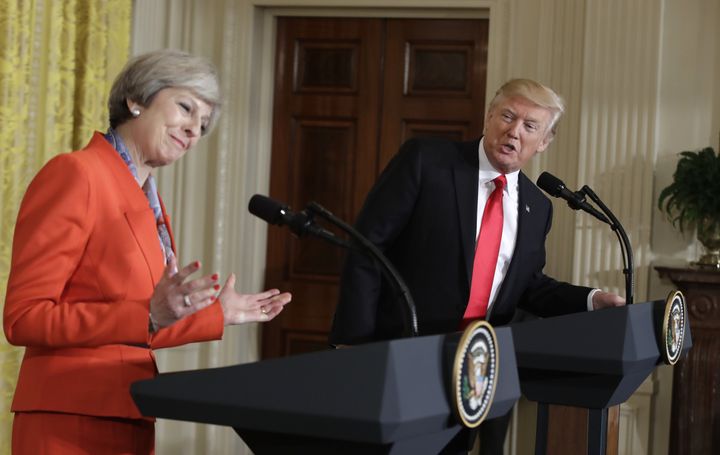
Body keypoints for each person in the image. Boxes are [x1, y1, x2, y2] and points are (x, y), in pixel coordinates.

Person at [3, 49, 291, 454]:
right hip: (71, 421)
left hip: (130, 414)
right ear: (135, 100)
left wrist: (218, 314)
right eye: (186, 108)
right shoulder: (77, 174)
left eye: (203, 124)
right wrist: (149, 314)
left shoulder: (147, 201)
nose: (194, 130)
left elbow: (138, 327)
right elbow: (24, 318)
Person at [329, 78, 625, 454]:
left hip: (469, 371)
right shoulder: (427, 161)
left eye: (530, 126)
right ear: (488, 117)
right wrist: (353, 343)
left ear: (544, 142)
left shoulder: (538, 207)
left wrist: (591, 300)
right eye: (507, 116)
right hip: (397, 354)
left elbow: (527, 286)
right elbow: (365, 248)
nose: (514, 131)